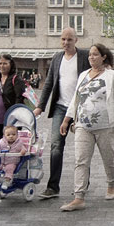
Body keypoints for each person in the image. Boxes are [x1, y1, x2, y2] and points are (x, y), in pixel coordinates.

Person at [59, 43, 114, 211]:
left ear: (103, 56)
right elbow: (75, 100)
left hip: (106, 125)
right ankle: (79, 197)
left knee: (108, 158)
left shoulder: (112, 76)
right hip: (83, 126)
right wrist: (66, 120)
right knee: (81, 161)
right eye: (90, 55)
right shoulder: (83, 75)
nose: (91, 57)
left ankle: (111, 184)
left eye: (95, 54)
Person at [33, 28, 91, 200]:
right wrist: (40, 106)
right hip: (60, 107)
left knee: (83, 148)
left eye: (69, 40)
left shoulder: (84, 56)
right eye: (63, 39)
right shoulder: (57, 58)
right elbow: (49, 83)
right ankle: (53, 187)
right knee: (56, 146)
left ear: (76, 40)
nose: (66, 42)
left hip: (81, 108)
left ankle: (83, 185)